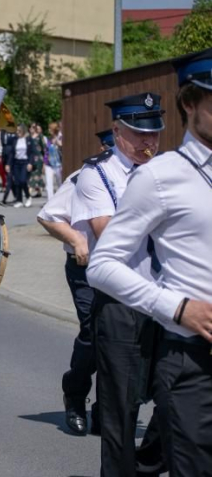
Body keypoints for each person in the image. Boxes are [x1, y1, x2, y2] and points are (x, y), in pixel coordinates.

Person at [87, 49, 212, 476]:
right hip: (194, 359)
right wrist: (175, 306)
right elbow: (102, 266)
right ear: (189, 103)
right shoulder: (161, 176)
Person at [71, 92, 164, 477]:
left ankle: (143, 467)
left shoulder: (166, 172)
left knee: (179, 400)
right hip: (121, 304)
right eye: (138, 133)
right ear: (117, 131)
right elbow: (110, 235)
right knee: (120, 411)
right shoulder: (97, 175)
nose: (148, 143)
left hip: (166, 300)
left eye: (154, 134)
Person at [36, 128, 113, 436]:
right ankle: (76, 396)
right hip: (87, 269)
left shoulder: (142, 178)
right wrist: (75, 238)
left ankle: (108, 410)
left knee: (121, 339)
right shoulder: (84, 178)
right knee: (94, 334)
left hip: (128, 272)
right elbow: (48, 215)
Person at [8, 124, 32, 207]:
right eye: (16, 131)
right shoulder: (15, 140)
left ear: (23, 131)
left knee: (23, 180)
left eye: (19, 131)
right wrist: (8, 164)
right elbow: (12, 153)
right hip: (16, 163)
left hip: (25, 162)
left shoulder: (28, 139)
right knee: (17, 182)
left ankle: (28, 197)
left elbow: (32, 152)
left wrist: (30, 163)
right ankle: (19, 200)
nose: (17, 132)